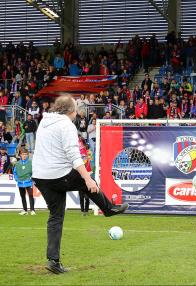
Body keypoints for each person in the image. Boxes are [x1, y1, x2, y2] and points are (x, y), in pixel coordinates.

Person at [32, 95, 128, 274]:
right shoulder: (66, 124)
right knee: (86, 181)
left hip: (40, 176)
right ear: (71, 111)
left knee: (56, 216)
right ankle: (109, 209)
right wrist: (88, 178)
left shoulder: (44, 122)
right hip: (57, 173)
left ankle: (53, 261)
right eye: (76, 109)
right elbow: (73, 155)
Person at [13, 148, 34, 215]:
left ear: (27, 155)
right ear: (20, 155)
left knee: (31, 195)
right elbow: (15, 172)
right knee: (23, 196)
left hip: (29, 181)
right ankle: (25, 210)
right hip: (20, 182)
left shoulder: (31, 162)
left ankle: (32, 210)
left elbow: (34, 171)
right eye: (23, 154)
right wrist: (17, 179)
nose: (24, 155)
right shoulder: (17, 164)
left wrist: (31, 178)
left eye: (25, 154)